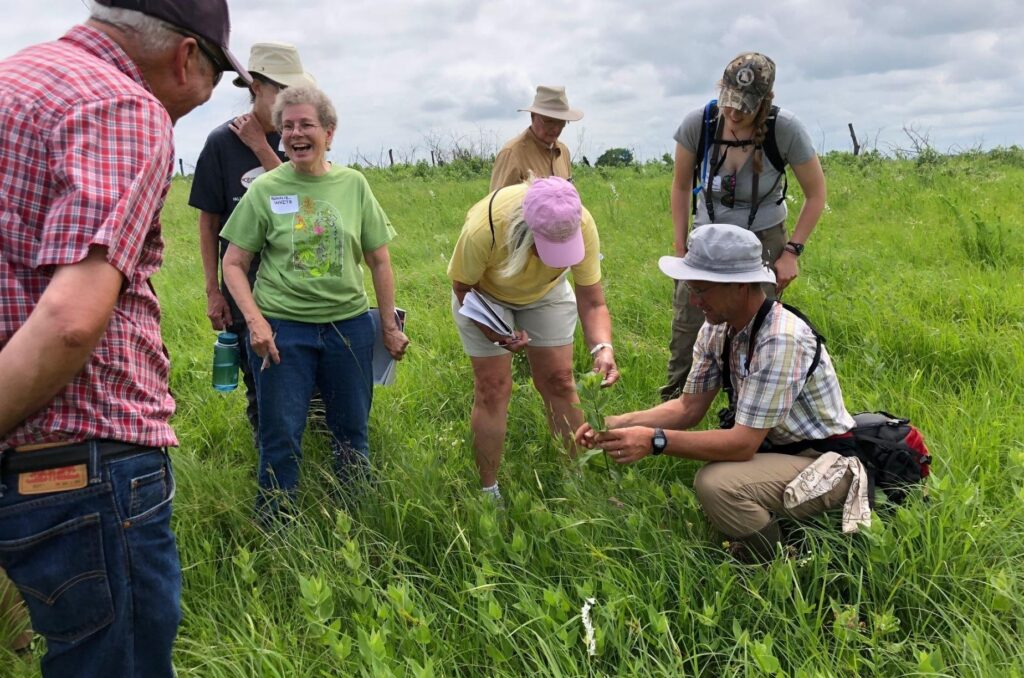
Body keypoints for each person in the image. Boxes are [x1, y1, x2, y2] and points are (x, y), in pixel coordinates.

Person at [0, 0, 246, 675]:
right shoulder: (121, 107)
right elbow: (72, 319)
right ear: (186, 56)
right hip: (81, 459)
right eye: (217, 77)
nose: (202, 98)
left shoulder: (15, 81)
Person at [577, 225, 867, 562]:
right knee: (720, 474)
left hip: (824, 461)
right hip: (780, 451)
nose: (694, 300)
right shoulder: (718, 326)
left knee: (718, 483)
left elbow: (742, 444)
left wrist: (654, 440)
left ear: (741, 285)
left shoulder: (780, 338)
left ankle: (780, 563)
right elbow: (688, 407)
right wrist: (616, 423)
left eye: (702, 290)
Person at [221, 85, 409, 517]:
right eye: (287, 126)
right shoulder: (265, 189)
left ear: (329, 131)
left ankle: (357, 518)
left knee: (351, 430)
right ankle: (277, 525)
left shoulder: (353, 185)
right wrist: (256, 322)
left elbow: (379, 260)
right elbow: (233, 263)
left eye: (306, 124)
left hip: (349, 329)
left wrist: (388, 325)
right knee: (281, 434)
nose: (295, 133)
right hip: (284, 331)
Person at [662, 52, 827, 400]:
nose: (734, 113)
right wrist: (680, 247)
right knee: (690, 320)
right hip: (705, 239)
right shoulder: (700, 124)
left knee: (754, 326)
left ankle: (746, 403)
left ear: (765, 102)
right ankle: (677, 400)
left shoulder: (785, 129)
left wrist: (791, 252)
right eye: (729, 103)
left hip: (763, 240)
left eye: (745, 107)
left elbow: (816, 195)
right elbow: (679, 186)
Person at [448, 177, 619, 501]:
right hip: (484, 295)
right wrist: (495, 333)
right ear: (524, 232)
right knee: (492, 388)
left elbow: (593, 301)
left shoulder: (580, 223)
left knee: (559, 379)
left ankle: (576, 482)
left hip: (546, 294)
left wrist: (602, 347)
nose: (557, 259)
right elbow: (462, 289)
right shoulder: (485, 229)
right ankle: (489, 492)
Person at [190, 42, 316, 437]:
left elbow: (312, 205)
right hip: (245, 285)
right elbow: (210, 224)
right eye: (280, 89)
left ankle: (314, 452)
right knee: (260, 382)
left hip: (304, 281)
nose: (289, 102)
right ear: (255, 86)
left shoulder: (302, 138)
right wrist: (213, 290)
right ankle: (272, 465)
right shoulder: (220, 144)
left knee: (313, 381)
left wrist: (262, 149)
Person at [490, 86, 583, 190]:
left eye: (561, 122)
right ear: (533, 116)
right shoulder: (512, 154)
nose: (556, 129)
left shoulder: (563, 152)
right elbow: (498, 204)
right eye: (549, 121)